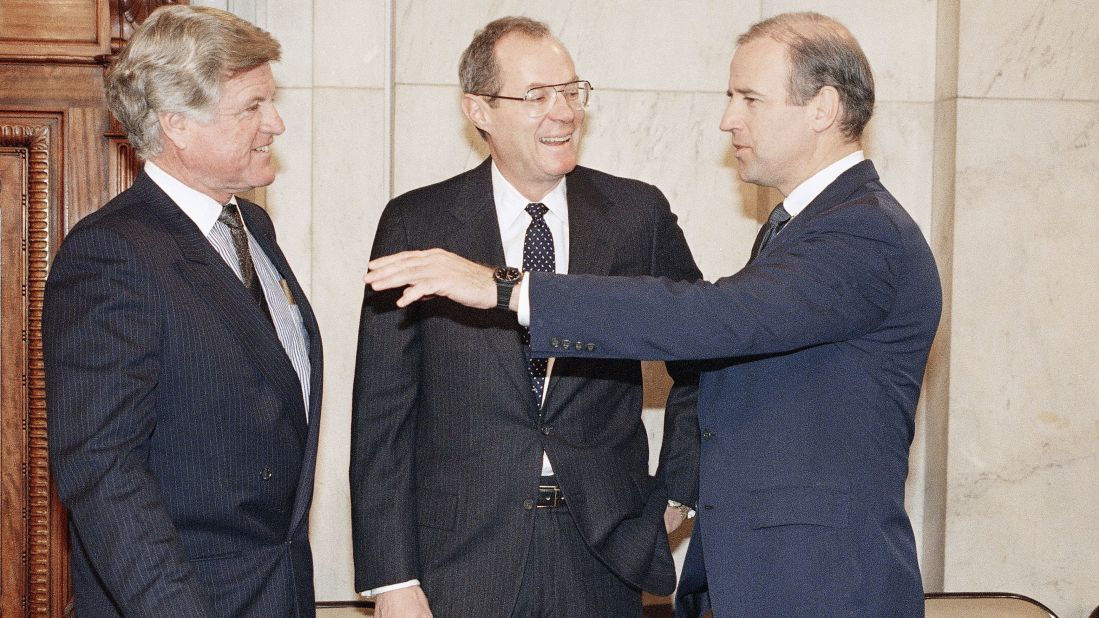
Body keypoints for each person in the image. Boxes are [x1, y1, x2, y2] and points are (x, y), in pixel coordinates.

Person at [363, 11, 942, 618]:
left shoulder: (862, 233)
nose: (728, 119)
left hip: (818, 584)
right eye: (730, 96)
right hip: (735, 577)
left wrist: (509, 289)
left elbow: (714, 321)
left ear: (821, 109)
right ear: (478, 110)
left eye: (748, 98)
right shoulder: (803, 228)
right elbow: (383, 413)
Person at [349, 16, 701, 618]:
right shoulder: (417, 222)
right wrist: (391, 580)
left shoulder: (635, 214)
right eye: (536, 95)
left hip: (603, 554)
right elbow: (383, 410)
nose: (563, 111)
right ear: (478, 110)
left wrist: (678, 493)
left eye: (571, 91)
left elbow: (703, 352)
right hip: (457, 563)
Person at [43, 6, 323, 617]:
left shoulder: (254, 227)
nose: (274, 124)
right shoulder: (111, 254)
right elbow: (103, 470)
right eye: (251, 107)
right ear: (177, 125)